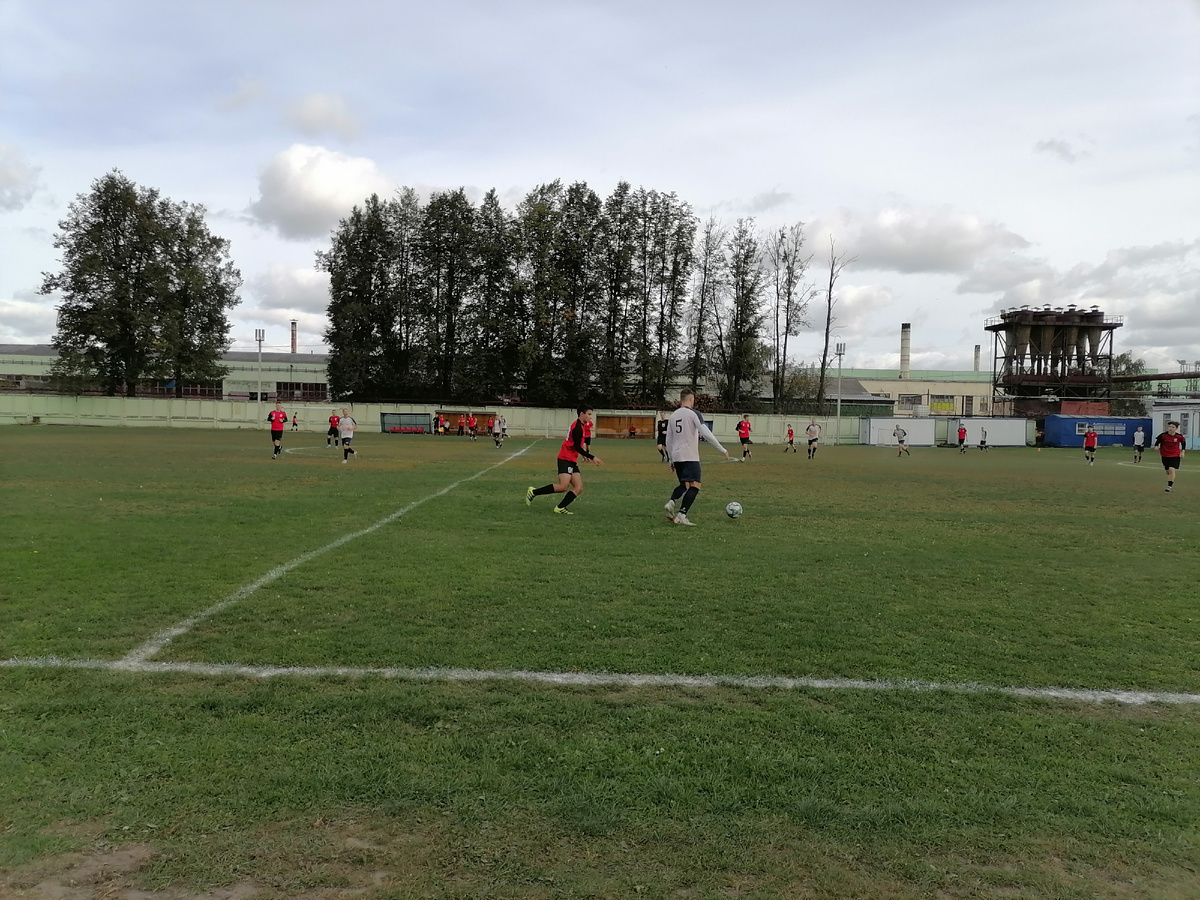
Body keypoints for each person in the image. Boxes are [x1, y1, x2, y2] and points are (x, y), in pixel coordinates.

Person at [663, 388, 731, 526]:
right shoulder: (694, 414)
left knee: (684, 484)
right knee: (695, 485)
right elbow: (705, 433)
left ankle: (671, 502)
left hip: (677, 456)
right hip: (690, 455)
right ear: (690, 399)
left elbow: (668, 440)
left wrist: (671, 459)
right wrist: (721, 449)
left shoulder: (673, 416)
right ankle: (682, 515)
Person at [525, 405, 604, 515]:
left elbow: (578, 445)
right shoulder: (577, 428)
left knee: (579, 487)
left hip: (571, 459)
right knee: (563, 486)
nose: (591, 417)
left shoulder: (581, 426)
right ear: (582, 414)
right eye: (589, 414)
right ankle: (533, 492)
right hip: (565, 458)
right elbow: (577, 447)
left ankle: (560, 507)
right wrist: (592, 457)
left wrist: (584, 455)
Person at [1154, 421, 1185, 492]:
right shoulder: (1163, 436)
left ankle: (1169, 486)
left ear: (1176, 428)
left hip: (1175, 455)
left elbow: (1183, 443)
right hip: (1165, 455)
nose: (1170, 428)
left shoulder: (1179, 436)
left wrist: (1183, 451)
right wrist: (1156, 447)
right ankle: (1170, 478)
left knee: (1172, 469)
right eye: (1170, 427)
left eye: (1172, 427)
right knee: (1168, 471)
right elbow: (1157, 442)